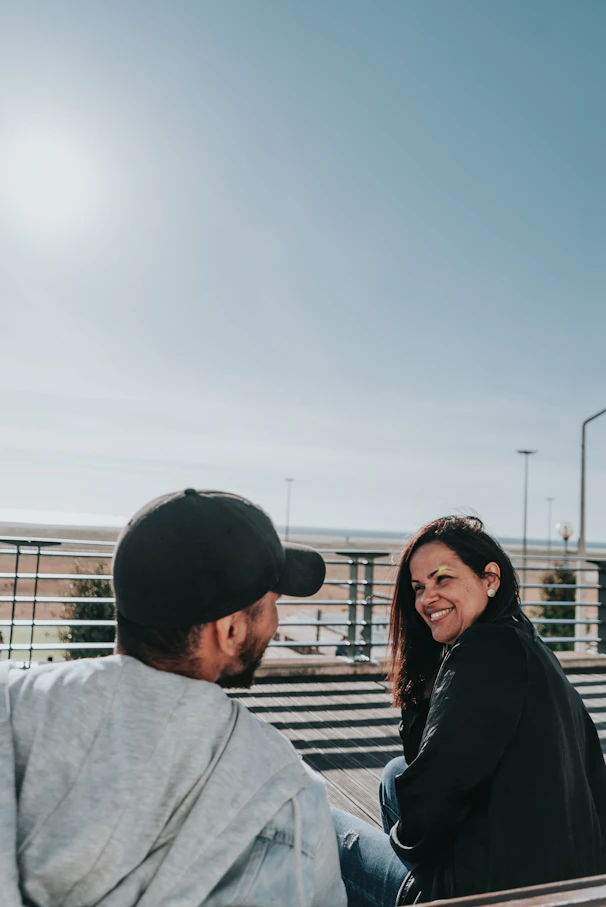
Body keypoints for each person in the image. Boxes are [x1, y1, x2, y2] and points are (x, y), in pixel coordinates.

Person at [0, 489, 346, 907]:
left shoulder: (13, 698)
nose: (276, 622)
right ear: (231, 630)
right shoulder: (287, 792)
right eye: (273, 604)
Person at [333, 515, 606, 906]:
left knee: (325, 826)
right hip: (571, 886)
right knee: (395, 774)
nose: (427, 598)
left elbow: (431, 795)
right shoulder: (529, 644)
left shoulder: (482, 654)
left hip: (487, 895)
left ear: (490, 578)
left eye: (442, 579)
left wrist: (422, 857)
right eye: (418, 587)